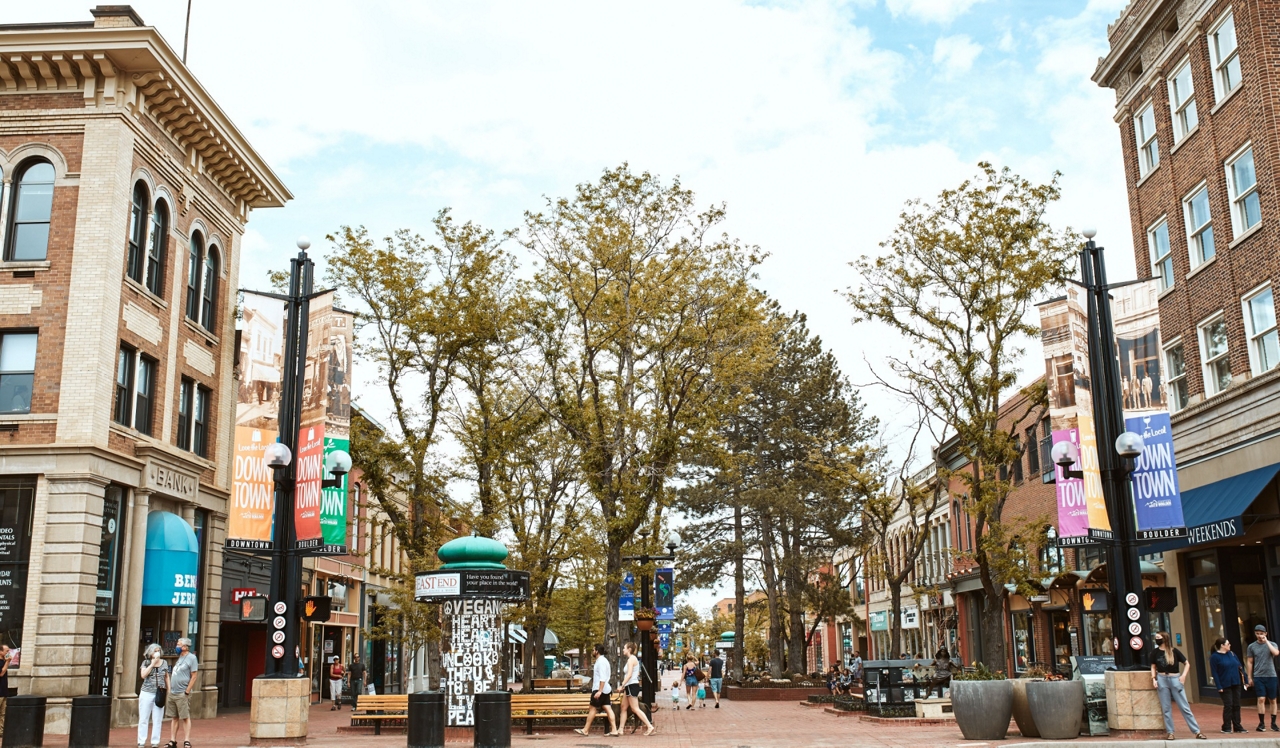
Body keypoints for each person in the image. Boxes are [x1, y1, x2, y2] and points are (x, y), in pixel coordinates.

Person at [1149, 631, 1203, 741]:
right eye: (1156, 638)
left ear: (1164, 639)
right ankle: (1170, 732)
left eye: (1159, 637)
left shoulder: (1174, 651)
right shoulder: (1155, 652)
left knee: (1184, 707)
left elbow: (1187, 663)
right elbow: (1153, 666)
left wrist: (1183, 676)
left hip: (1175, 678)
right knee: (1166, 708)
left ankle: (1197, 731)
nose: (1157, 639)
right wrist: (1154, 679)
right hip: (1162, 678)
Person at [610, 642, 654, 736]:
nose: (623, 650)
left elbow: (629, 674)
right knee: (623, 707)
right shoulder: (632, 659)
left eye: (624, 648)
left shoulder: (631, 660)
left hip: (631, 685)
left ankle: (649, 726)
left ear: (629, 649)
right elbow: (635, 674)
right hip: (630, 686)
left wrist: (622, 685)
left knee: (635, 708)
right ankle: (620, 729)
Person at [574, 643, 617, 737]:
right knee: (608, 708)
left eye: (593, 650)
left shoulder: (601, 662)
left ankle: (585, 730)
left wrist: (599, 691)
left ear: (597, 651)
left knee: (592, 708)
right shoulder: (604, 661)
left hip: (599, 689)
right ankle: (614, 729)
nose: (592, 652)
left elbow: (602, 678)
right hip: (606, 689)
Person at [164, 638, 198, 748]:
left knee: (185, 716)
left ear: (185, 647)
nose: (177, 646)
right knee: (174, 717)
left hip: (182, 693)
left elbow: (194, 676)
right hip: (173, 692)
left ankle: (186, 740)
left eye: (178, 644)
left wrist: (187, 691)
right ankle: (172, 740)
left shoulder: (192, 658)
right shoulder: (180, 658)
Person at [1210, 637, 1247, 734]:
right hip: (1224, 684)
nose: (1230, 645)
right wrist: (1219, 686)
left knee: (1237, 705)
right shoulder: (1214, 657)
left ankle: (1237, 726)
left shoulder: (1232, 654)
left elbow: (1240, 667)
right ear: (1222, 645)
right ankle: (1226, 726)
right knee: (1228, 705)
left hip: (1236, 682)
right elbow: (1215, 673)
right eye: (1228, 643)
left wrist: (1245, 679)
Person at [1247, 624, 1280, 732]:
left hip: (1271, 675)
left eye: (1261, 633)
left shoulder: (1272, 644)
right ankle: (1261, 723)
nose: (1259, 636)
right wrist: (1249, 677)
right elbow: (1250, 661)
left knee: (1273, 699)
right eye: (1257, 634)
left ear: (1265, 634)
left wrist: (1266, 642)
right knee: (1261, 699)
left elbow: (1276, 653)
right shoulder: (1251, 646)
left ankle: (1273, 723)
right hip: (1258, 675)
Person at [138, 644, 169, 748]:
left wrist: (168, 691)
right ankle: (141, 741)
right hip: (147, 692)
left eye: (159, 650)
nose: (157, 652)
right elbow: (143, 675)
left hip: (159, 692)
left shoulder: (164, 663)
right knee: (144, 718)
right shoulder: (146, 662)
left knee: (157, 718)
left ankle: (155, 741)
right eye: (155, 651)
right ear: (150, 652)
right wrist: (152, 664)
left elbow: (166, 677)